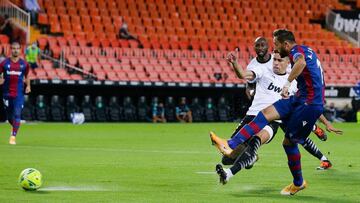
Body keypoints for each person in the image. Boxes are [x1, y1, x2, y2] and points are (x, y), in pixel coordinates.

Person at [210, 29, 340, 195]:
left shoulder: (295, 53)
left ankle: (299, 182)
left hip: (309, 104)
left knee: (289, 142)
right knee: (264, 113)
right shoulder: (306, 49)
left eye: (277, 45)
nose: (275, 49)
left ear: (286, 44)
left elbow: (301, 64)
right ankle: (231, 143)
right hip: (301, 98)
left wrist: (287, 83)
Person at [0, 42, 31, 145]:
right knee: (9, 117)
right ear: (11, 49)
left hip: (19, 94)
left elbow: (27, 76)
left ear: (20, 50)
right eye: (13, 48)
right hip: (6, 93)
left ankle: (13, 136)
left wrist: (28, 86)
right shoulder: (4, 63)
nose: (15, 50)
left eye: (17, 48)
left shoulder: (24, 64)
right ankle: (14, 127)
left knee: (17, 114)